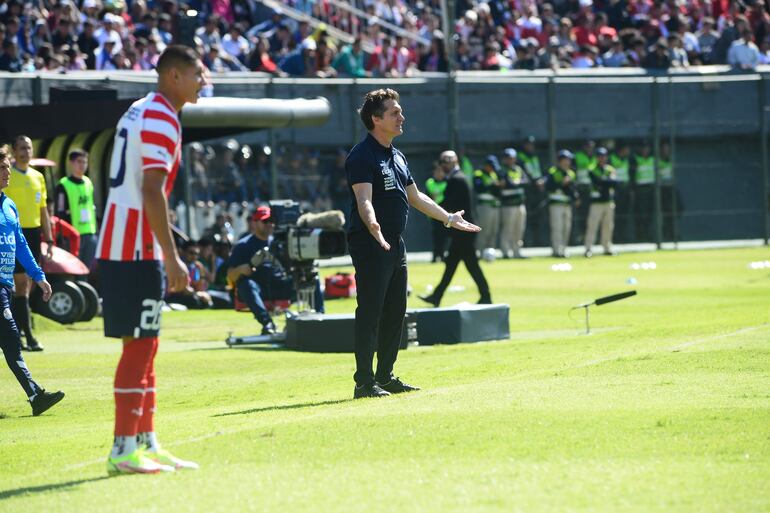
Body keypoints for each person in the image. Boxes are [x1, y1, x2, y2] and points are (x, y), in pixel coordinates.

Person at [97, 45, 204, 476]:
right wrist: (172, 257)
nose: (204, 80)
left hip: (125, 242)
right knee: (140, 346)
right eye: (198, 73)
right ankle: (123, 449)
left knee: (147, 344)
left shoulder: (140, 109)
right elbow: (151, 190)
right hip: (134, 247)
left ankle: (145, 441)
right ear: (174, 76)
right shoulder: (161, 114)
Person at [346, 89, 480, 399]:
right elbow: (364, 199)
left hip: (395, 243)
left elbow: (415, 197)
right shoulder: (361, 155)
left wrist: (448, 218)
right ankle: (364, 382)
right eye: (394, 113)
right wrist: (374, 226)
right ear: (376, 119)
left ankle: (386, 375)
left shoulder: (397, 154)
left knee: (396, 311)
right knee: (370, 311)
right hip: (371, 243)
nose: (401, 117)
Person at [0, 145, 64, 416]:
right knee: (11, 335)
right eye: (2, 168)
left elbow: (21, 244)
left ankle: (35, 395)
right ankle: (35, 394)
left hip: (4, 284)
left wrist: (38, 276)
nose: (8, 173)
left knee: (10, 338)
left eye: (7, 167)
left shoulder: (8, 204)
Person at [227, 206, 325, 335]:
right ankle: (267, 323)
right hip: (259, 289)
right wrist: (241, 269)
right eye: (265, 221)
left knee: (311, 276)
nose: (269, 224)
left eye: (271, 221)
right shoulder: (243, 245)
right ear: (254, 223)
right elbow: (230, 276)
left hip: (282, 286)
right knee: (246, 285)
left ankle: (321, 318)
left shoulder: (282, 242)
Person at [419, 151, 492, 307]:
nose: (443, 166)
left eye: (445, 163)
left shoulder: (456, 180)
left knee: (470, 265)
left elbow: (447, 203)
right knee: (452, 265)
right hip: (462, 230)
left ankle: (486, 295)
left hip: (463, 230)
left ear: (452, 162)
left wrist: (433, 210)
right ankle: (437, 296)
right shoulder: (458, 178)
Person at [5, 135, 54, 352]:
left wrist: (49, 238)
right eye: (22, 148)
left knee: (27, 287)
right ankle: (27, 337)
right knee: (21, 286)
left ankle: (20, 333)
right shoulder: (7, 174)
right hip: (14, 234)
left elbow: (43, 210)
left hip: (33, 234)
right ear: (14, 152)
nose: (26, 152)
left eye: (29, 147)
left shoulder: (38, 177)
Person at [54, 149, 98, 269]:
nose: (82, 165)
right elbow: (59, 212)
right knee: (73, 269)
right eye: (79, 162)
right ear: (71, 163)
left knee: (87, 269)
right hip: (72, 236)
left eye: (85, 162)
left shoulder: (88, 182)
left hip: (90, 233)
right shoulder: (63, 185)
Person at [584, 147, 620, 257]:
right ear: (596, 158)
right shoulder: (592, 168)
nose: (602, 159)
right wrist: (607, 181)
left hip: (608, 201)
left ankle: (607, 247)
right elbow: (596, 181)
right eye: (600, 156)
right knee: (592, 226)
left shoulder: (610, 169)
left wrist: (604, 181)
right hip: (596, 202)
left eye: (604, 156)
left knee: (608, 226)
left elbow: (615, 183)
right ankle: (588, 249)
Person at [546, 150, 579, 258]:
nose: (568, 162)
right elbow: (549, 187)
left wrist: (576, 197)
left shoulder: (571, 173)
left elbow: (573, 189)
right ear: (560, 161)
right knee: (557, 228)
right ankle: (556, 250)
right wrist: (561, 184)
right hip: (556, 204)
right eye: (566, 160)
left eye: (569, 160)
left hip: (567, 204)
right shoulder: (553, 172)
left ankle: (564, 249)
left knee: (566, 228)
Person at [499, 148, 531, 259]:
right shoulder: (502, 170)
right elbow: (508, 184)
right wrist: (516, 183)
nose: (510, 161)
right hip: (508, 205)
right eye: (508, 158)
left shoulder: (518, 169)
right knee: (508, 228)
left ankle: (516, 251)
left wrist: (517, 183)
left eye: (512, 158)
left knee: (519, 229)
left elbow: (527, 181)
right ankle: (506, 252)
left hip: (520, 204)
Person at [473, 155, 503, 252]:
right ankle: (480, 251)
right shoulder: (478, 174)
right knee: (483, 230)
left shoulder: (493, 174)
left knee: (493, 231)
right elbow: (479, 189)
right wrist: (493, 185)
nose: (493, 169)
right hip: (484, 205)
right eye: (492, 166)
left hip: (494, 205)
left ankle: (490, 252)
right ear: (486, 165)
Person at [425, 161, 448, 262]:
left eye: (441, 171)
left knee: (444, 235)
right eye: (437, 171)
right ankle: (435, 256)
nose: (439, 173)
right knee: (436, 236)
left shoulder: (447, 182)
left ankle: (442, 255)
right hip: (433, 214)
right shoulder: (430, 182)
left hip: (445, 213)